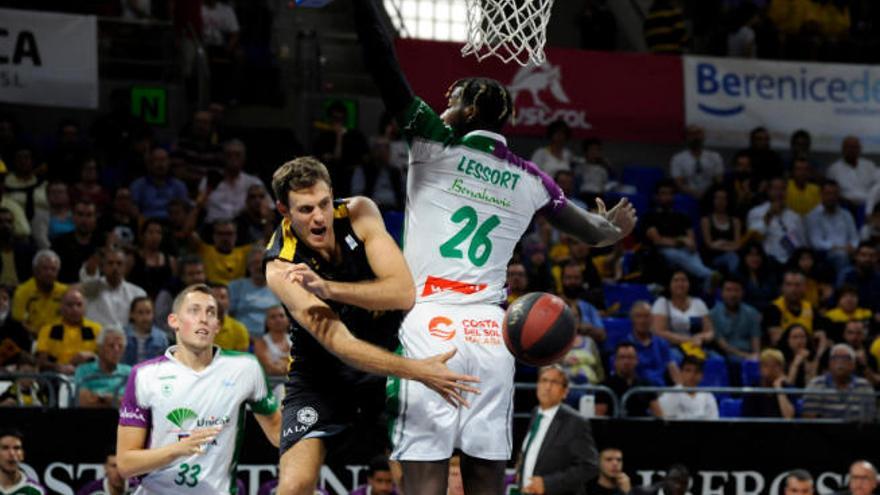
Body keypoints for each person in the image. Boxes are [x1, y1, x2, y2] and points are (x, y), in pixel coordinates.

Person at [355, 0, 637, 490]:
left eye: (450, 99)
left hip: (431, 321)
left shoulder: (434, 141)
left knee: (425, 475)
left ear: (465, 111)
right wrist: (613, 227)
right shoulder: (533, 179)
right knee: (487, 475)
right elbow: (594, 234)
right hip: (494, 329)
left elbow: (383, 60)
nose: (442, 106)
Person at [264, 157, 480, 494]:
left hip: (386, 360)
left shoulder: (359, 212)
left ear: (332, 194)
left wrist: (328, 288)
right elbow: (342, 344)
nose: (319, 217)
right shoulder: (281, 267)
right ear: (284, 210)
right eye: (305, 210)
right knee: (294, 485)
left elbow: (402, 293)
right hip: (321, 375)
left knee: (429, 483)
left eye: (323, 203)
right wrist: (419, 370)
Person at [116, 284, 282, 493]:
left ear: (217, 326)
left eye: (211, 313)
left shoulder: (245, 368)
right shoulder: (144, 376)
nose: (203, 318)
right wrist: (178, 449)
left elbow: (279, 434)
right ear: (173, 321)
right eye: (194, 310)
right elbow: (125, 464)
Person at [515, 366, 598, 495]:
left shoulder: (575, 422)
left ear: (565, 391)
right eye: (544, 380)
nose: (547, 387)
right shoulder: (535, 413)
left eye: (554, 382)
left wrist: (548, 484)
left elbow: (589, 466)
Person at [643, 180, 716, 289]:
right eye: (663, 193)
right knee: (675, 254)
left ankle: (707, 284)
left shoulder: (683, 216)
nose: (667, 197)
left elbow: (692, 243)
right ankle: (708, 274)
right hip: (663, 252)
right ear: (657, 196)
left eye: (670, 194)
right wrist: (681, 240)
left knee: (692, 254)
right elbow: (658, 241)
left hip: (686, 251)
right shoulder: (650, 216)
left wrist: (687, 243)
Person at [35, 288, 103, 375]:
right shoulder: (48, 330)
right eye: (70, 305)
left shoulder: (96, 329)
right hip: (59, 377)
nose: (75, 309)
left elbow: (107, 359)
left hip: (90, 376)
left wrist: (93, 357)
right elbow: (41, 362)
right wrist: (59, 367)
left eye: (79, 305)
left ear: (84, 306)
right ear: (61, 307)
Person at [803, 343, 876, 421]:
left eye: (845, 358)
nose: (840, 361)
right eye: (835, 358)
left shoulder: (864, 385)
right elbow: (809, 418)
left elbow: (870, 419)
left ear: (853, 364)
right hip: (823, 431)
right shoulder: (816, 384)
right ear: (829, 363)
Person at [651, 271, 714, 360]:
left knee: (716, 360)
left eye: (683, 280)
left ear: (689, 284)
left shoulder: (699, 303)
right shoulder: (662, 303)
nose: (680, 284)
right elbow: (659, 332)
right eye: (676, 280)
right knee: (678, 358)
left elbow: (710, 332)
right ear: (669, 284)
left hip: (696, 346)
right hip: (672, 347)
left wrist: (701, 337)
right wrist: (687, 340)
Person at [79, 248, 148, 330]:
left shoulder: (137, 293)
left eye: (119, 264)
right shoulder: (90, 289)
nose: (115, 267)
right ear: (102, 267)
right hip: (96, 338)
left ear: (125, 267)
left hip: (127, 339)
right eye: (110, 263)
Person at [199, 140, 266, 224]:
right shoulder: (208, 181)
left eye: (237, 155)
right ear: (222, 157)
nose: (233, 158)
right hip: (213, 227)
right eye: (229, 155)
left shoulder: (254, 182)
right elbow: (199, 207)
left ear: (244, 158)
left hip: (245, 228)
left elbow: (268, 209)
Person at [747, 177, 807, 267]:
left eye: (782, 189)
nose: (779, 192)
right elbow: (754, 238)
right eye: (775, 189)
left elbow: (802, 242)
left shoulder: (794, 216)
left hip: (791, 262)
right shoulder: (755, 212)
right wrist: (769, 215)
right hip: (767, 262)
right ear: (768, 191)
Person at [805, 180, 858, 277]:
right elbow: (816, 242)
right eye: (828, 193)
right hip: (825, 255)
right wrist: (839, 248)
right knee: (841, 256)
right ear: (821, 194)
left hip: (848, 252)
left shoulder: (846, 214)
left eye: (834, 194)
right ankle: (842, 287)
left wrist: (853, 247)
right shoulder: (813, 216)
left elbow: (854, 238)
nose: (831, 197)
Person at [597, 343, 663, 418]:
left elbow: (659, 415)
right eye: (622, 357)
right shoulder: (604, 387)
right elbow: (599, 419)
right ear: (615, 361)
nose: (626, 362)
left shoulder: (646, 386)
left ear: (637, 360)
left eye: (630, 358)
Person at [11, 249, 67, 335]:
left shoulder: (64, 291)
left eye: (53, 269)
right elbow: (19, 323)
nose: (49, 273)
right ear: (35, 270)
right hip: (29, 338)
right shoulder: (23, 291)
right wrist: (42, 335)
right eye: (45, 268)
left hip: (58, 338)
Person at [51, 200, 106, 283]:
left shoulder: (103, 242)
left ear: (95, 218)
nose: (84, 220)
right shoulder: (59, 243)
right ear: (73, 217)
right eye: (80, 214)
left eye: (89, 215)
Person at [626, 301, 680, 386]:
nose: (643, 320)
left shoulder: (661, 343)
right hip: (637, 392)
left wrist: (680, 390)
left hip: (661, 391)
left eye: (646, 316)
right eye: (638, 316)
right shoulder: (625, 345)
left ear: (652, 319)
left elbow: (673, 368)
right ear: (632, 319)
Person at [75, 326, 131, 408]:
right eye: (111, 346)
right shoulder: (83, 370)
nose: (116, 350)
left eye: (120, 346)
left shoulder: (129, 372)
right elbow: (83, 401)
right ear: (100, 348)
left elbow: (132, 405)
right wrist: (116, 400)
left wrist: (100, 397)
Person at [228, 249, 279, 338]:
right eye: (254, 263)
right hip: (242, 338)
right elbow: (227, 315)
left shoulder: (279, 288)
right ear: (248, 267)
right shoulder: (236, 286)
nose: (258, 266)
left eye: (261, 262)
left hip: (272, 341)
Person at [710, 276, 761, 363]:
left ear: (742, 293)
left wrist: (756, 356)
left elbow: (755, 339)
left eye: (736, 290)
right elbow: (723, 345)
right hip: (726, 356)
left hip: (749, 355)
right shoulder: (713, 314)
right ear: (721, 292)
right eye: (728, 290)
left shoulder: (752, 313)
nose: (733, 294)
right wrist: (746, 356)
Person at [130, 147, 190, 221]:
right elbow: (133, 208)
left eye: (163, 160)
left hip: (171, 225)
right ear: (149, 164)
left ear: (169, 163)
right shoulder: (138, 185)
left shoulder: (179, 186)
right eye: (157, 160)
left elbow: (185, 210)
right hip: (146, 225)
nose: (160, 164)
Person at [763, 270, 817, 347]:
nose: (793, 289)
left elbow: (821, 336)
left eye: (797, 285)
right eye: (788, 284)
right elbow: (776, 341)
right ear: (782, 287)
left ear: (804, 287)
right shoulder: (773, 309)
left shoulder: (811, 308)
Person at [669, 125, 724, 199]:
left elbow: (718, 180)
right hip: (687, 196)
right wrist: (695, 194)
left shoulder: (715, 156)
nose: (695, 137)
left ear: (703, 136)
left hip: (711, 195)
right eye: (691, 134)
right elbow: (679, 184)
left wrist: (707, 194)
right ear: (686, 137)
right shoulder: (678, 159)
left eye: (698, 133)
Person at [741, 349, 796, 419]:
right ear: (760, 368)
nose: (771, 370)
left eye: (776, 366)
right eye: (767, 366)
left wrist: (778, 388)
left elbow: (789, 417)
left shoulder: (788, 388)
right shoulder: (753, 390)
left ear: (782, 369)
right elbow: (746, 421)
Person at [826, 136, 878, 207]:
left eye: (855, 147)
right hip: (845, 205)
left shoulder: (869, 165)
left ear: (860, 149)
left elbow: (877, 186)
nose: (852, 150)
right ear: (843, 149)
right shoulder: (834, 169)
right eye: (849, 147)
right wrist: (846, 201)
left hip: (870, 204)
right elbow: (830, 191)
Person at [700, 187, 742, 274]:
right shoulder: (706, 220)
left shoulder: (735, 221)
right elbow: (709, 245)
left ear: (728, 201)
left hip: (731, 254)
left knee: (732, 257)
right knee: (732, 257)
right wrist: (729, 244)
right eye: (717, 198)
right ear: (712, 200)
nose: (720, 201)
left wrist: (721, 242)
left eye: (723, 198)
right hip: (712, 258)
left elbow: (738, 244)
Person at [122, 297, 168, 366]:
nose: (145, 317)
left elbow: (165, 363)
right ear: (131, 314)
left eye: (148, 312)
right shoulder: (122, 335)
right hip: (128, 374)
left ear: (153, 314)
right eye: (140, 313)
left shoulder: (161, 337)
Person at [779, 324, 825, 388]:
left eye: (802, 337)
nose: (799, 341)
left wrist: (808, 363)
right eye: (795, 337)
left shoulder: (813, 358)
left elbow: (812, 385)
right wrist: (796, 363)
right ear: (787, 340)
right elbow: (788, 385)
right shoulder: (781, 358)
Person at [0, 429, 44, 494]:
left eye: (16, 448)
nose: (11, 453)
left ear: (22, 454)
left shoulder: (36, 491)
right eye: (5, 448)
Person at [210, 283, 249, 352]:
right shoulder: (198, 327)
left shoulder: (239, 329)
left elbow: (241, 359)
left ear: (229, 301)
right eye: (213, 297)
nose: (218, 301)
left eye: (222, 297)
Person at [253, 306, 291, 378]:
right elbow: (270, 369)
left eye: (281, 316)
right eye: (273, 317)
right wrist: (289, 363)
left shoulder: (296, 341)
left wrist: (280, 363)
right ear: (266, 322)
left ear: (288, 320)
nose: (278, 320)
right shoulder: (261, 343)